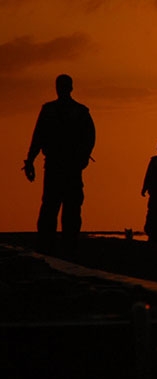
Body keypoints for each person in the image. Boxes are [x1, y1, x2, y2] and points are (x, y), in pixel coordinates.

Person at [22, 74, 96, 257]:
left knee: (67, 209)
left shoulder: (78, 112)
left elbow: (89, 137)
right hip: (57, 167)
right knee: (51, 208)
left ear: (69, 88)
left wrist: (83, 158)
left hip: (69, 167)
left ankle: (66, 249)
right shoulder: (51, 111)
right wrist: (30, 160)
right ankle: (49, 248)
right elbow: (38, 137)